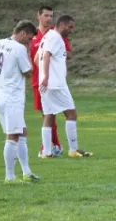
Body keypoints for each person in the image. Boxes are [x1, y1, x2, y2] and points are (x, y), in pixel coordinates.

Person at [0, 20, 41, 183]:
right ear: (23, 34)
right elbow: (28, 72)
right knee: (12, 135)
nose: (28, 43)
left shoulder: (0, 43)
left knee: (22, 132)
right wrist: (27, 51)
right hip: (12, 97)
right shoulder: (19, 48)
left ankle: (26, 172)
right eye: (28, 39)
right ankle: (9, 177)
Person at [36, 15, 93, 158]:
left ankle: (46, 152)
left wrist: (43, 75)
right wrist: (48, 77)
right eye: (70, 27)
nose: (71, 30)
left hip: (46, 84)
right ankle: (73, 150)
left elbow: (37, 59)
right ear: (61, 24)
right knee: (71, 114)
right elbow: (47, 55)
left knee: (49, 115)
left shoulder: (47, 36)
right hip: (55, 84)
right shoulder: (55, 37)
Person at [30, 6, 72, 157]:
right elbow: (34, 58)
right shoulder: (32, 36)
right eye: (46, 15)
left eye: (51, 16)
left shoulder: (55, 34)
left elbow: (67, 53)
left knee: (49, 115)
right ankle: (53, 147)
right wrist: (43, 73)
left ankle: (50, 147)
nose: (49, 18)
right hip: (40, 81)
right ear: (38, 16)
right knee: (48, 115)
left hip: (49, 80)